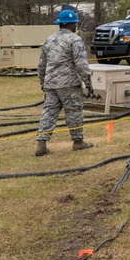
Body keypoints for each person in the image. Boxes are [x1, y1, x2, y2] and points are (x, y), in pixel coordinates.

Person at [35, 10, 93, 156]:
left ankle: (41, 143)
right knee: (74, 111)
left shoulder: (49, 40)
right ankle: (78, 142)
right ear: (70, 24)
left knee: (49, 111)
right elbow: (81, 64)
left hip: (51, 83)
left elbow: (42, 64)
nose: (76, 26)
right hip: (68, 84)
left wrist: (42, 80)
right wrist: (87, 81)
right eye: (75, 24)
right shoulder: (75, 39)